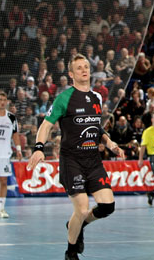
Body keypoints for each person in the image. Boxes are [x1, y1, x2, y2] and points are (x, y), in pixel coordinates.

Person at [27, 54, 124, 260]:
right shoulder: (64, 98)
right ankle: (71, 252)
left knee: (108, 206)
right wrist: (38, 148)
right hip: (72, 161)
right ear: (71, 74)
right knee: (81, 208)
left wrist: (109, 143)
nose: (84, 70)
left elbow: (96, 126)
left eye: (86, 66)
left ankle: (78, 225)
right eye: (79, 68)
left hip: (93, 161)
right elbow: (46, 125)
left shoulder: (96, 97)